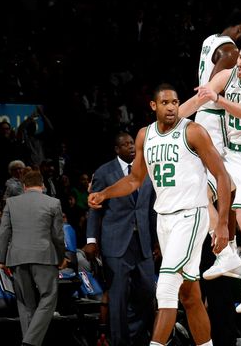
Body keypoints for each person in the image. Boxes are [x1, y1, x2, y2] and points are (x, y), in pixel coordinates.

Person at [89, 83, 232, 346]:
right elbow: (134, 180)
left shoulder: (193, 132)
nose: (171, 107)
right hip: (164, 220)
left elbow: (222, 175)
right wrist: (105, 194)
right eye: (165, 103)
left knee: (166, 286)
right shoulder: (145, 135)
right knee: (189, 295)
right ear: (153, 106)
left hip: (190, 215)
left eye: (175, 102)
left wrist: (222, 224)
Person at [179, 38, 241, 312]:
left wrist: (218, 99)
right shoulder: (227, 75)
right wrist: (170, 122)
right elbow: (198, 100)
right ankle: (228, 254)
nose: (240, 62)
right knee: (202, 192)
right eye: (240, 57)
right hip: (232, 154)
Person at [85, 131, 157, 346]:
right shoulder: (104, 172)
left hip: (143, 242)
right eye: (125, 144)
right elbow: (95, 209)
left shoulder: (146, 169)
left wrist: (157, 239)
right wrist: (91, 240)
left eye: (132, 143)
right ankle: (119, 342)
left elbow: (152, 209)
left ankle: (136, 337)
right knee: (117, 297)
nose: (131, 147)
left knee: (147, 293)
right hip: (115, 242)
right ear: (117, 149)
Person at [0, 170, 67, 346]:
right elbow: (58, 235)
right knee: (48, 297)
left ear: (24, 186)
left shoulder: (11, 203)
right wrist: (61, 257)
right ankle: (30, 342)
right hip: (44, 256)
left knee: (26, 302)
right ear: (42, 185)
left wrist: (2, 258)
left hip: (17, 257)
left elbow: (4, 233)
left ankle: (28, 341)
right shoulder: (53, 202)